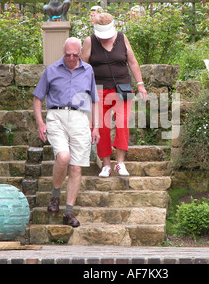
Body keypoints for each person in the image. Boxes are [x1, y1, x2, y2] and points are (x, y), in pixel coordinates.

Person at [33, 37, 100, 227]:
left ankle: (68, 212)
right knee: (63, 157)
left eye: (75, 55)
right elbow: (38, 98)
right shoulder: (52, 70)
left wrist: (95, 126)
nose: (71, 58)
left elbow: (94, 100)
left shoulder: (88, 71)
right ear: (64, 53)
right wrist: (40, 122)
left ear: (80, 53)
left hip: (80, 119)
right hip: (57, 116)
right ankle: (55, 195)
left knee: (76, 167)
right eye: (67, 54)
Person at [81, 13, 147, 177]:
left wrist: (140, 84)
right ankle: (106, 165)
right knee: (101, 127)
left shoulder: (122, 38)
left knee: (122, 123)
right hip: (99, 91)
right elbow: (82, 67)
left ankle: (120, 163)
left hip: (122, 89)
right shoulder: (90, 41)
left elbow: (132, 62)